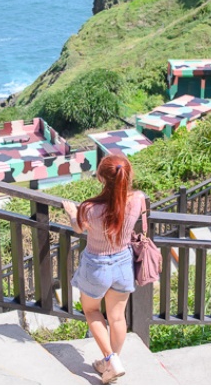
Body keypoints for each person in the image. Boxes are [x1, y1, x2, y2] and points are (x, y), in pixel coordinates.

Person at [62, 155, 145, 384]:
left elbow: (78, 228)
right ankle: (111, 362)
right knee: (117, 317)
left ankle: (110, 360)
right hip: (123, 263)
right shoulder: (138, 199)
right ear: (128, 175)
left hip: (96, 265)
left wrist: (71, 213)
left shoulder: (90, 208)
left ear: (101, 177)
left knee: (91, 311)